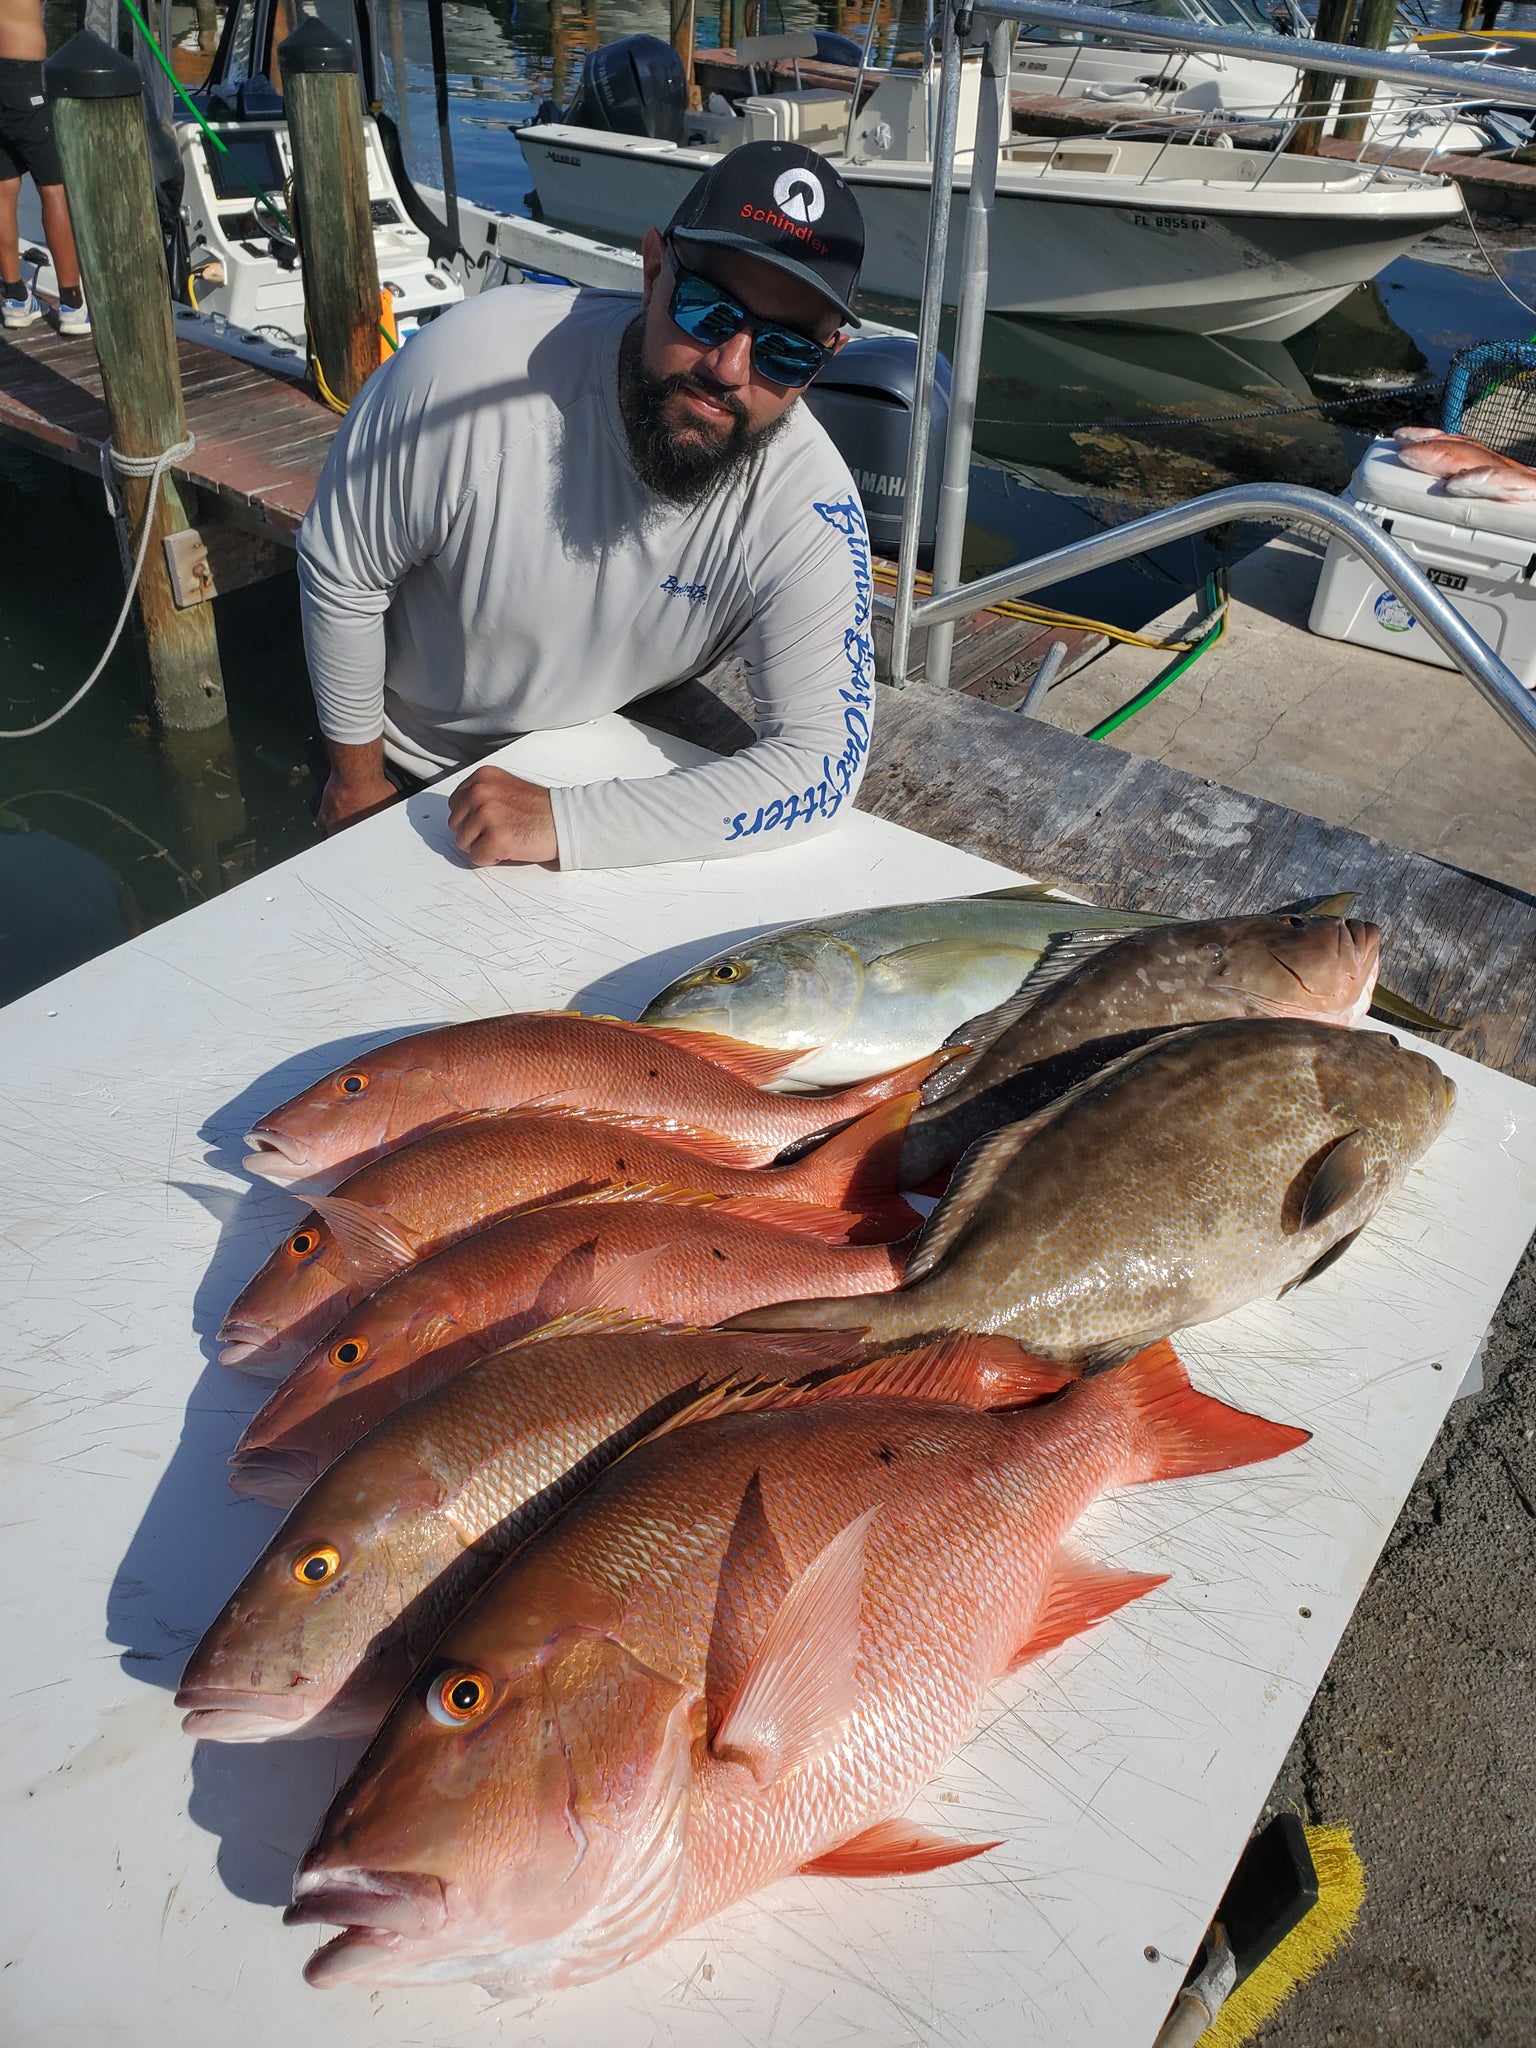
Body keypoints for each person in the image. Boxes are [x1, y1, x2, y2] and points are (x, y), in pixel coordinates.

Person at [298, 140, 877, 872]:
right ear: (652, 269)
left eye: (787, 351)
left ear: (828, 356)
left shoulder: (812, 504)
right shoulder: (471, 373)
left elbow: (823, 763)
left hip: (594, 772)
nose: (730, 369)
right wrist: (355, 783)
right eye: (707, 309)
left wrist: (566, 820)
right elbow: (341, 570)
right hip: (410, 764)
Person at [0, 0, 87, 334]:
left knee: (4, 187)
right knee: (54, 189)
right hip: (23, 79)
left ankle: (15, 298)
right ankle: (72, 303)